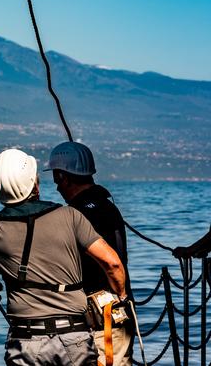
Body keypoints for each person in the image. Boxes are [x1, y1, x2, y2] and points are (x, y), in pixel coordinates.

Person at [0, 148, 127, 366]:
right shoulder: (71, 216)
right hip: (73, 337)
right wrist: (120, 296)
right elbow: (112, 263)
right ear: (34, 183)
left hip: (26, 340)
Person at [46, 141, 133, 366]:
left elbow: (112, 264)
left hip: (101, 318)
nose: (56, 187)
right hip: (114, 316)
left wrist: (118, 298)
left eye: (57, 178)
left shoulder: (76, 215)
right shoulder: (108, 207)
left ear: (63, 176)